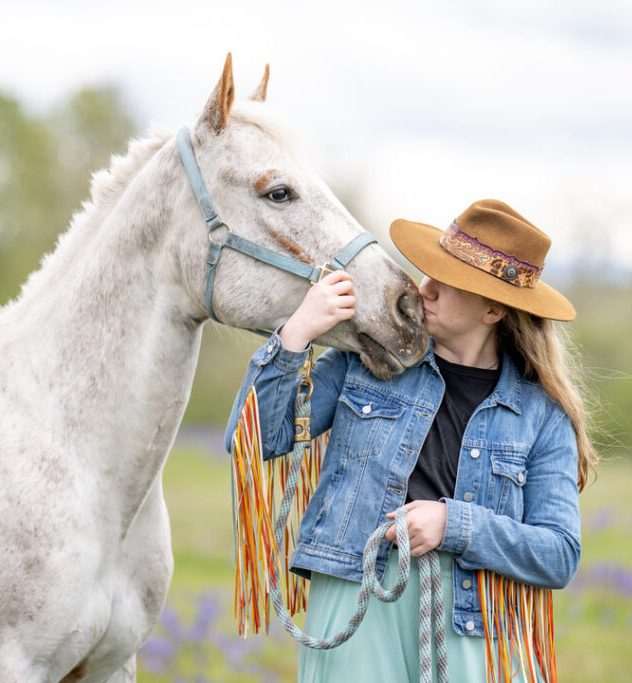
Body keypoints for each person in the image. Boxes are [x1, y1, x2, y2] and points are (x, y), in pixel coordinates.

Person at [224, 199, 597, 682]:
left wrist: (454, 524)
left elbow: (558, 553)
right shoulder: (366, 363)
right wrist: (297, 333)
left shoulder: (543, 416)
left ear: (493, 308)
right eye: (428, 272)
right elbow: (253, 438)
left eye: (448, 281)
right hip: (357, 590)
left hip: (475, 621)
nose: (425, 289)